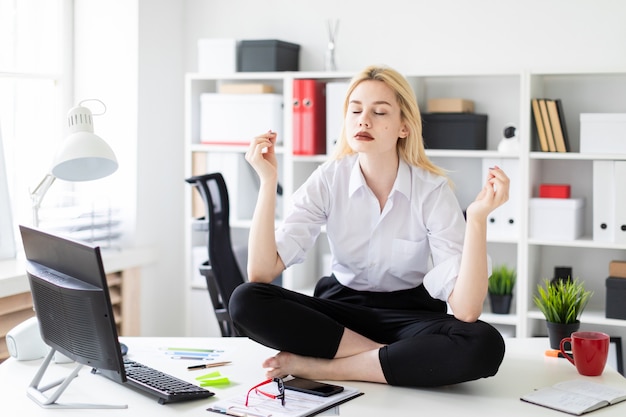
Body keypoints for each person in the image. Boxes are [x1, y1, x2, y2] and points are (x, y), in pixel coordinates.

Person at [229, 64, 510, 388]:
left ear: (404, 126)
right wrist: (268, 182)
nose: (364, 120)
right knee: (245, 299)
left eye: (379, 112)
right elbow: (261, 273)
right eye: (356, 110)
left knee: (485, 342)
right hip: (339, 313)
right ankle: (392, 360)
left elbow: (466, 310)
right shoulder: (329, 177)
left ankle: (324, 367)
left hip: (410, 315)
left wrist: (476, 219)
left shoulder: (432, 189)